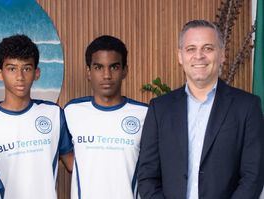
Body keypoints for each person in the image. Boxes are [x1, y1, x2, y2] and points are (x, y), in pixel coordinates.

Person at [137, 19, 264, 198]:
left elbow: (253, 175)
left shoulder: (247, 107)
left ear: (222, 55)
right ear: (180, 56)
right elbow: (147, 176)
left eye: (208, 48)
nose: (199, 56)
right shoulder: (160, 109)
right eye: (191, 49)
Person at [0, 34, 73, 198]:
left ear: (36, 73)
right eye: (12, 69)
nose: (20, 77)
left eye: (26, 68)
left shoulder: (53, 114)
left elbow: (73, 164)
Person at [64, 35, 147, 199]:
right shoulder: (72, 111)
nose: (107, 75)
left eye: (114, 67)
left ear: (125, 71)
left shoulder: (145, 114)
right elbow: (68, 160)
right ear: (89, 72)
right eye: (99, 67)